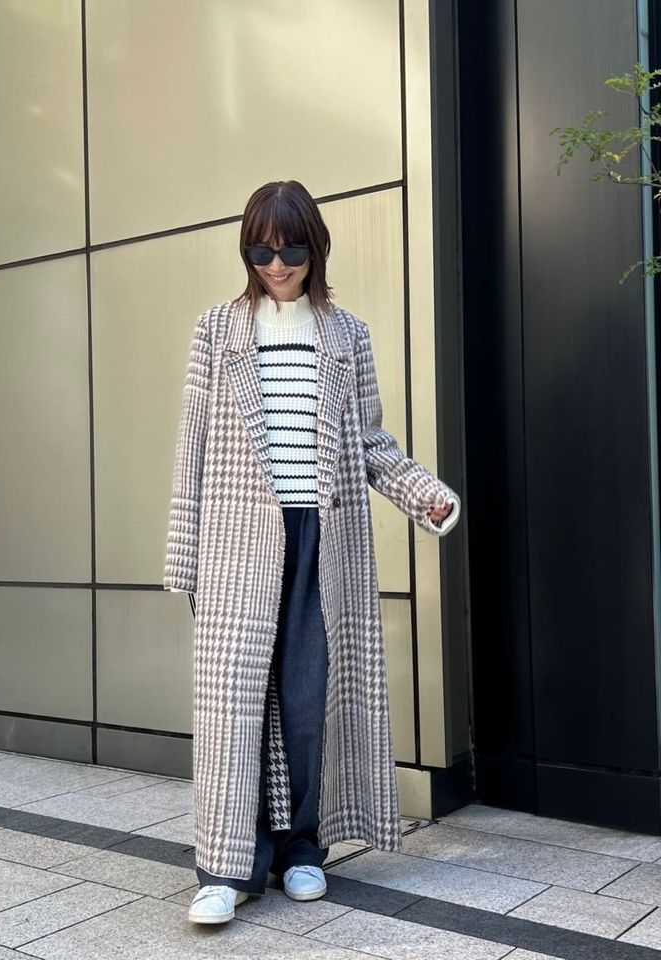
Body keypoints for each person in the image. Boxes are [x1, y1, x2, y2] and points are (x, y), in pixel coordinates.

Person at [164, 180, 461, 925]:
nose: (275, 263)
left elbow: (369, 439)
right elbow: (192, 445)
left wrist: (424, 493)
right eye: (260, 248)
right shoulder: (216, 329)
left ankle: (302, 849)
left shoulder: (346, 334)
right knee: (232, 709)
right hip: (236, 544)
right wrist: (184, 557)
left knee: (307, 705)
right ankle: (224, 869)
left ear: (314, 247)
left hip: (322, 546)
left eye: (290, 247)